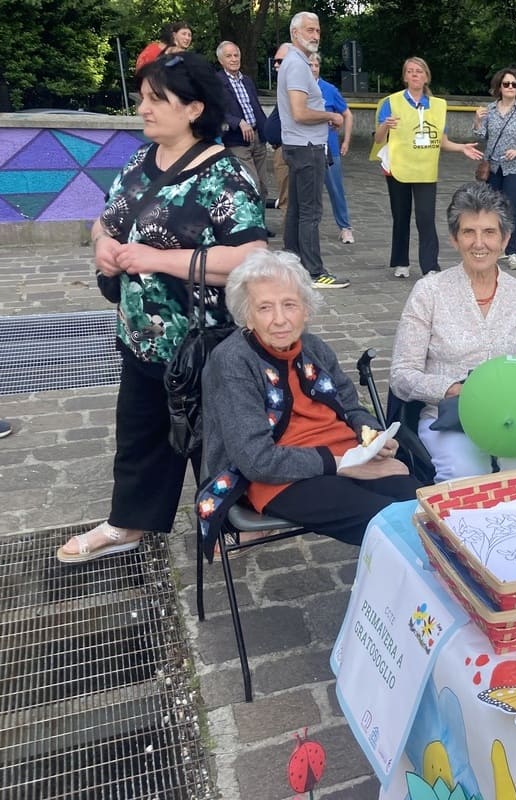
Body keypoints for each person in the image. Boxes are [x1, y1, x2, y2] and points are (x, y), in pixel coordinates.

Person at [56, 52, 268, 564]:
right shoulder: (138, 161)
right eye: (144, 98)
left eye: (157, 99)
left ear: (194, 107)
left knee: (210, 439)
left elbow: (250, 257)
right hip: (139, 337)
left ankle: (230, 521)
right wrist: (103, 246)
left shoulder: (225, 176)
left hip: (202, 344)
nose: (143, 109)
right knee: (140, 433)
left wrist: (161, 258)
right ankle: (129, 523)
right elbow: (107, 222)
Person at [196, 250, 420, 556]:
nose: (279, 319)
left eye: (289, 305)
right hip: (277, 477)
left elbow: (352, 409)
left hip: (348, 456)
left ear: (306, 310)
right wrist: (346, 466)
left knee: (422, 507)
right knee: (391, 524)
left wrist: (373, 438)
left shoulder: (315, 349)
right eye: (264, 308)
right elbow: (256, 460)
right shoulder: (233, 362)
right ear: (247, 315)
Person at [389, 182, 516, 481]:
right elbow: (402, 376)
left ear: (505, 239)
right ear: (454, 239)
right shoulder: (430, 291)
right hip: (451, 418)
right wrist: (457, 390)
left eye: (489, 232)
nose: (480, 243)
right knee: (466, 476)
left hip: (514, 415)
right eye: (469, 232)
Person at [375, 57, 483, 279]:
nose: (415, 75)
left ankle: (430, 265)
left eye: (419, 71)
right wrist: (385, 125)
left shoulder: (437, 106)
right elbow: (377, 139)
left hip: (425, 169)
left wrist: (461, 147)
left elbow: (442, 141)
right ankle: (401, 261)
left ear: (426, 77)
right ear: (405, 77)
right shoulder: (391, 102)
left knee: (426, 217)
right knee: (401, 215)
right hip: (398, 167)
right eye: (410, 71)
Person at [277, 12, 348, 289]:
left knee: (296, 208)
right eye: (309, 30)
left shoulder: (298, 63)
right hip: (306, 146)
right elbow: (299, 112)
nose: (315, 35)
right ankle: (314, 272)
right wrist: (330, 117)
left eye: (317, 30)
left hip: (300, 145)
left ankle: (292, 265)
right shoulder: (296, 64)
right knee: (310, 211)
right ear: (295, 33)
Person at [472, 67, 516, 270]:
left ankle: (512, 252)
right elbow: (480, 136)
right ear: (499, 87)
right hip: (493, 167)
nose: (510, 87)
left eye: (514, 84)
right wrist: (477, 121)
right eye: (506, 84)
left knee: (510, 208)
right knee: (493, 209)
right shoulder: (490, 110)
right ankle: (496, 248)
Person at [309, 52, 355, 245]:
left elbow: (347, 114)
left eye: (315, 65)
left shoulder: (329, 89)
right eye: (309, 65)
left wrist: (346, 140)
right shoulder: (297, 90)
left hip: (329, 147)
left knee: (336, 189)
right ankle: (309, 229)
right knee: (309, 191)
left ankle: (345, 227)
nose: (312, 69)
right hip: (306, 146)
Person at [216, 41, 271, 197]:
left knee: (263, 186)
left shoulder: (246, 80)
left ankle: (260, 220)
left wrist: (266, 130)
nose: (234, 59)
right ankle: (250, 220)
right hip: (237, 140)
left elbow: (255, 107)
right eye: (229, 56)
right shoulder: (216, 81)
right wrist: (237, 121)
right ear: (221, 60)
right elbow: (214, 110)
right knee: (250, 184)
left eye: (236, 55)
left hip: (258, 137)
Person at [266, 44, 289, 211]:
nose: (275, 65)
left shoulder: (294, 86)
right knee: (285, 193)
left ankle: (292, 235)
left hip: (287, 148)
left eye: (279, 61)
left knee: (288, 196)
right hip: (281, 147)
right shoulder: (284, 85)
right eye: (275, 61)